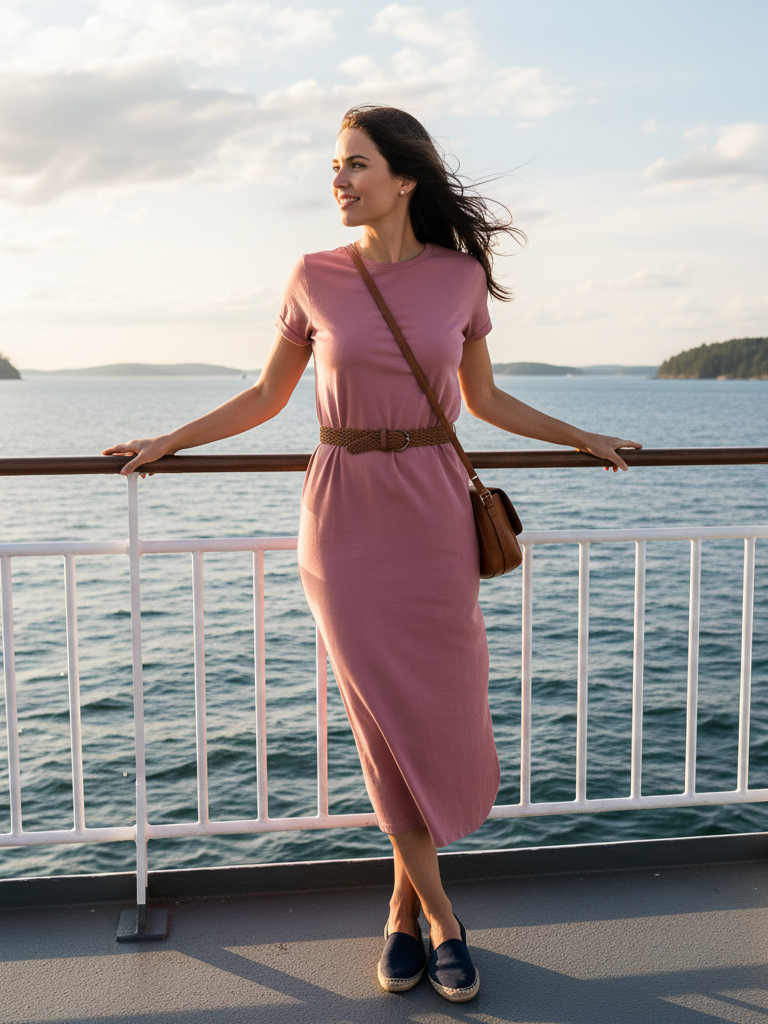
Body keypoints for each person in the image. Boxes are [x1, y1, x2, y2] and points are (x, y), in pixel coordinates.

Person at [104, 104, 641, 1003]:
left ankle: (398, 911)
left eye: (355, 165)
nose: (339, 181)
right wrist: (167, 441)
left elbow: (488, 402)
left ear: (405, 180)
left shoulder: (460, 278)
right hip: (344, 516)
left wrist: (581, 434)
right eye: (335, 166)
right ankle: (443, 920)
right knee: (376, 716)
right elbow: (266, 399)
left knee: (429, 713)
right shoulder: (313, 275)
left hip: (432, 513)